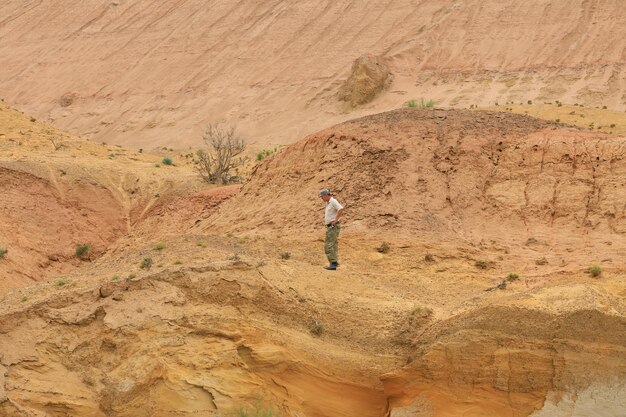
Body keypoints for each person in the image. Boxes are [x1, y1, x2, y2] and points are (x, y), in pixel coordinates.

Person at [319, 188, 344, 270]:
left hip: (333, 226)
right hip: (331, 226)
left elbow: (341, 209)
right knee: (333, 244)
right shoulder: (328, 203)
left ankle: (333, 263)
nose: (322, 198)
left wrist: (336, 220)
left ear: (326, 196)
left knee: (328, 245)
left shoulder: (333, 201)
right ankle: (334, 262)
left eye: (322, 197)